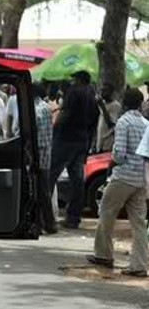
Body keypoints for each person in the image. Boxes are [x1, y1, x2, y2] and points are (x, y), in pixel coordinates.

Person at [88, 88, 148, 277]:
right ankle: (139, 266)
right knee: (139, 224)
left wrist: (112, 164)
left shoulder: (124, 122)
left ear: (124, 103)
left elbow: (119, 154)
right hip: (140, 179)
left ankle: (104, 255)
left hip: (122, 177)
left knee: (106, 213)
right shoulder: (146, 123)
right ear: (140, 104)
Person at [49, 71, 99, 229]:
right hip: (82, 141)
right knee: (77, 180)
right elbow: (95, 120)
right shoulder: (92, 95)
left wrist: (54, 131)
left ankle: (44, 216)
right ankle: (73, 218)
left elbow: (65, 115)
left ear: (78, 80)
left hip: (66, 139)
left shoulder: (74, 92)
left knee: (50, 176)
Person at [32, 83, 57, 235]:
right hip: (45, 155)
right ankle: (48, 223)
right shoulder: (45, 107)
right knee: (43, 191)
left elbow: (38, 138)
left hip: (39, 155)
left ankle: (43, 224)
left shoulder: (36, 109)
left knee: (39, 191)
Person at [95, 83, 122, 152]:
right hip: (100, 139)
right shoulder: (102, 103)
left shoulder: (115, 105)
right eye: (101, 91)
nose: (102, 93)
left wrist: (102, 107)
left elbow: (111, 124)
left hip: (108, 141)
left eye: (105, 91)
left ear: (111, 92)